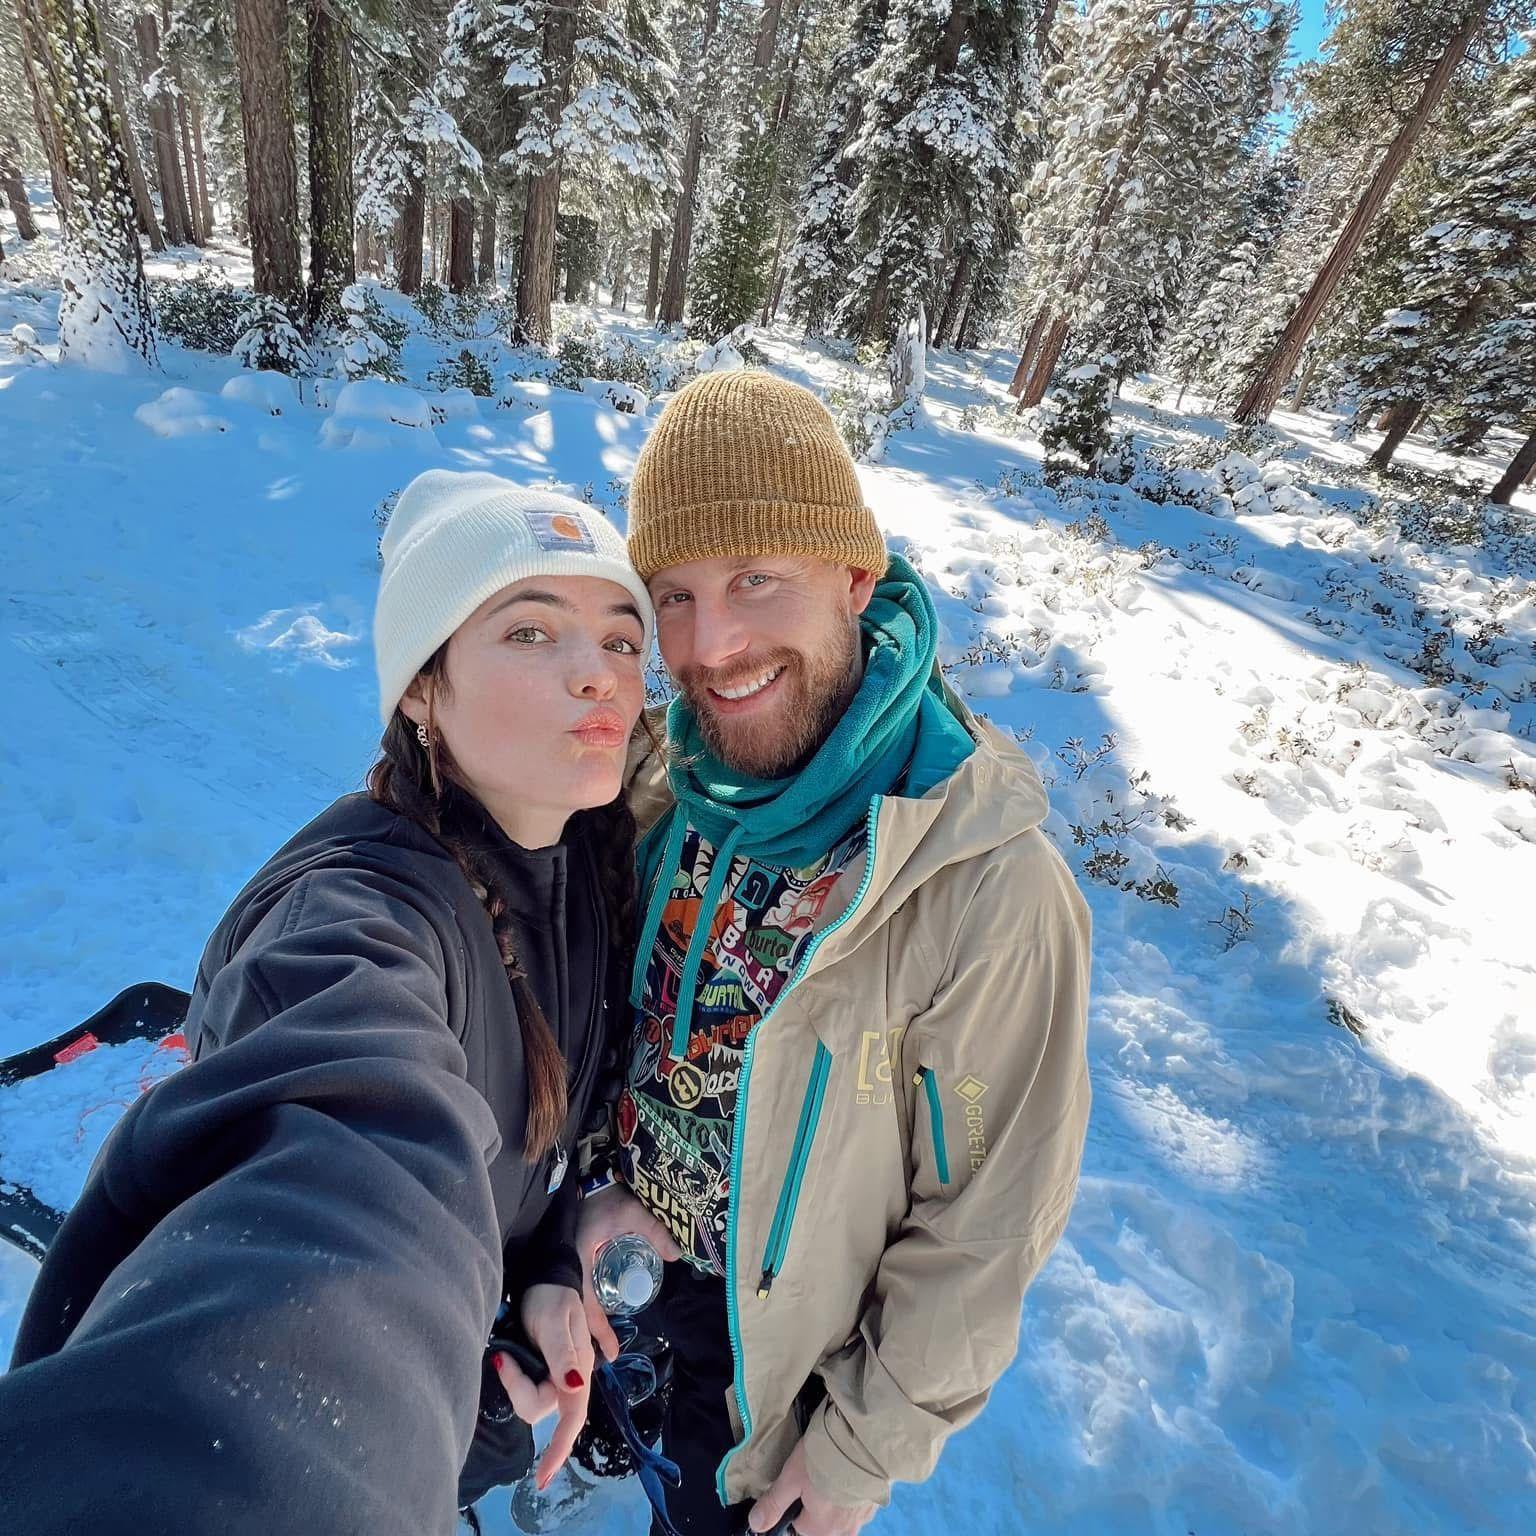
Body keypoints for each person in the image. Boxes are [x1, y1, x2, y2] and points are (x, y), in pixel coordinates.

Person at [0, 470, 672, 1533]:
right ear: (421, 688)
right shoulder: (351, 922)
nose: (598, 674)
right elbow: (340, 1204)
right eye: (531, 632)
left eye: (622, 641)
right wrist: (436, 1411)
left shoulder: (588, 858)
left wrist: (544, 1267)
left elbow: (532, 1131)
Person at [574, 371, 1093, 1536]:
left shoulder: (983, 887)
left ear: (856, 578)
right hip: (630, 1265)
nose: (712, 646)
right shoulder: (663, 773)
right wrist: (604, 1184)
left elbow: (988, 1217)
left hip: (782, 1380)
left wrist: (863, 1448)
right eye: (675, 595)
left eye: (755, 578)